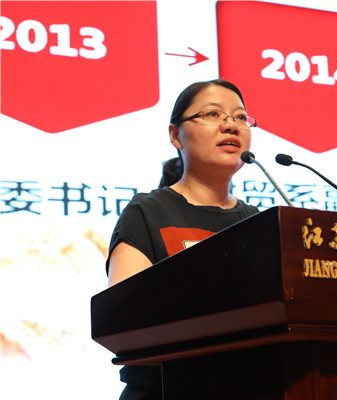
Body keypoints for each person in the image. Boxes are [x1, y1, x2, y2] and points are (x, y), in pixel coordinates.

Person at [105, 79, 260, 399]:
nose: (231, 125)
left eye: (240, 117)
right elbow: (124, 320)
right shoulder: (147, 212)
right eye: (213, 114)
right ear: (176, 135)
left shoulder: (258, 222)